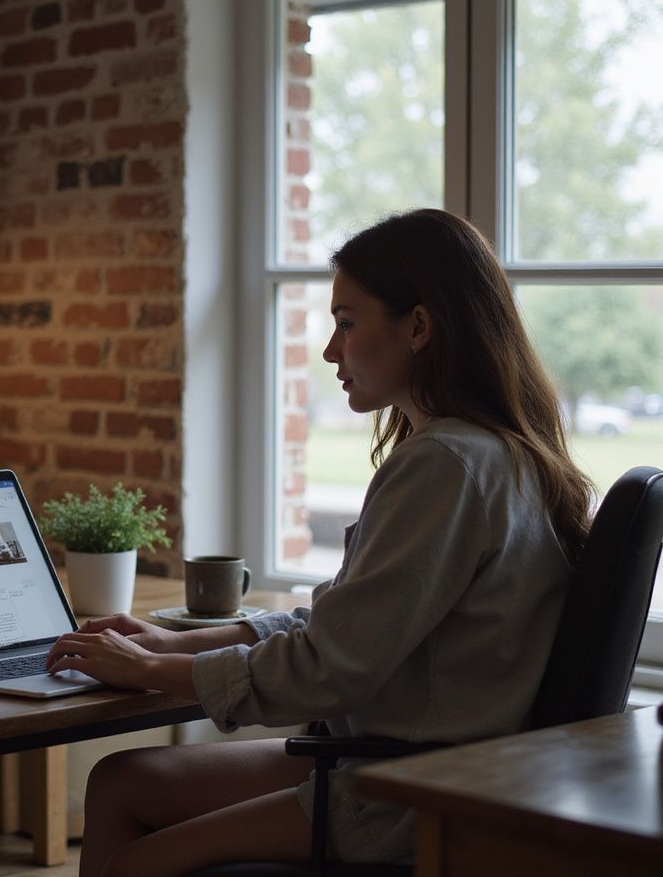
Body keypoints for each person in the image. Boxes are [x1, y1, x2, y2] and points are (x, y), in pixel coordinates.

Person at [47, 209, 593, 877]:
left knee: (140, 862)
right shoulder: (497, 454)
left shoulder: (445, 466)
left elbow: (329, 670)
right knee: (120, 783)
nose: (332, 351)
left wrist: (149, 672)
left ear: (418, 327)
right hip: (402, 763)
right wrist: (175, 642)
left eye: (346, 322)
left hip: (408, 790)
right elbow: (346, 631)